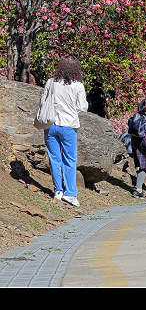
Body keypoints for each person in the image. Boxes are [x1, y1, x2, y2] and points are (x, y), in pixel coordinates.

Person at [43, 56, 88, 207]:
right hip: (68, 126)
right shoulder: (78, 86)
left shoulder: (51, 82)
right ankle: (70, 193)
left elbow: (43, 101)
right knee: (69, 160)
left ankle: (58, 190)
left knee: (54, 159)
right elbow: (82, 107)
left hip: (51, 125)